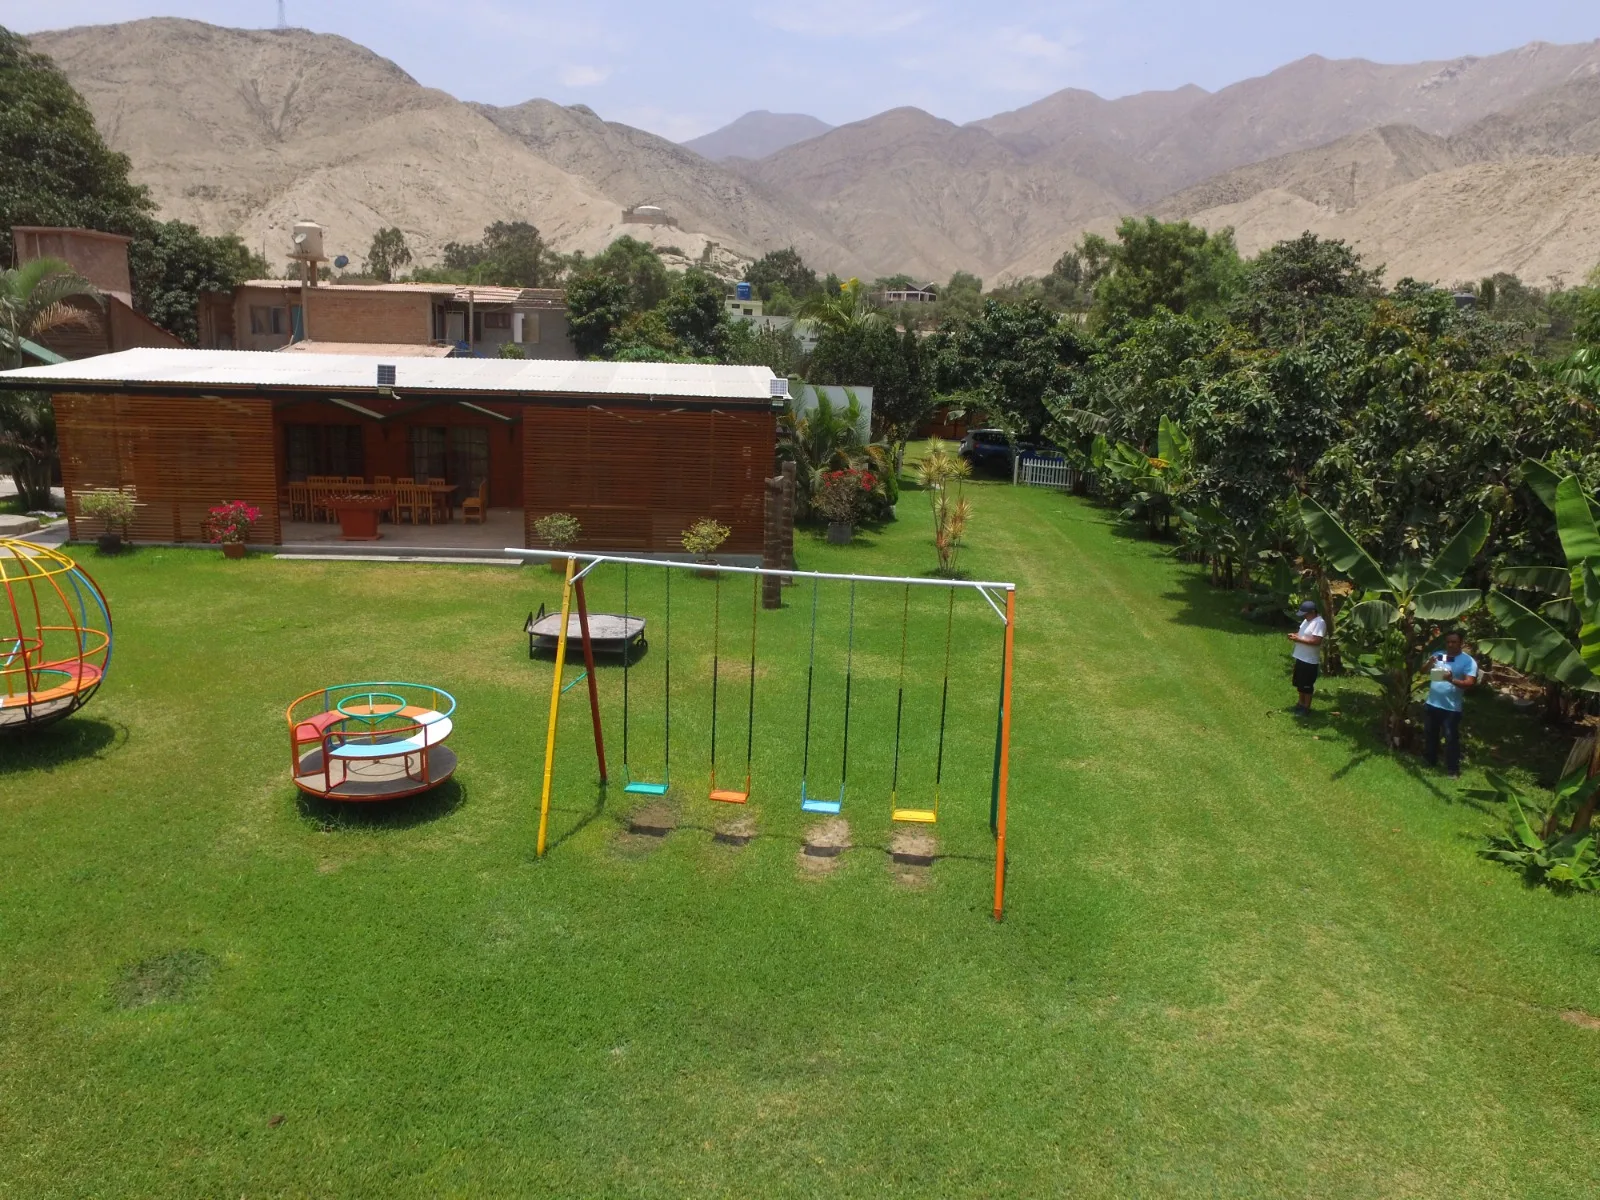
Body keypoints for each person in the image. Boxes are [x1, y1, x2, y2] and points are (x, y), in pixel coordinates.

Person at [1423, 630, 1478, 777]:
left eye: (1454, 642)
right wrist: (1429, 663)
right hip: (1432, 703)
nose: (1450, 645)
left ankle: (1453, 770)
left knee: (1451, 738)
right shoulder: (1440, 655)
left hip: (1451, 708)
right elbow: (1424, 672)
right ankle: (1430, 761)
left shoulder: (1468, 661)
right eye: (1448, 642)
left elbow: (1469, 683)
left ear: (1461, 643)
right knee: (1430, 735)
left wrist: (1451, 679)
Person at [1287, 599, 1326, 714]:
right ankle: (1300, 703)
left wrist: (1298, 639)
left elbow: (1316, 641)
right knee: (1299, 683)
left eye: (1305, 614)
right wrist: (1295, 635)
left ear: (1313, 612)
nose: (1304, 616)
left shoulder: (1319, 623)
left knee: (1307, 686)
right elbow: (1302, 634)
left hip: (1309, 660)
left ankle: (1306, 707)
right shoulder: (1306, 621)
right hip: (1300, 657)